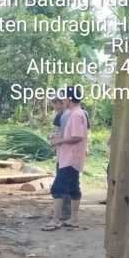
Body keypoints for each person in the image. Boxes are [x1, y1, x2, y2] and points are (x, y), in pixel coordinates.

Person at [43, 86, 88, 231]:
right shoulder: (75, 113)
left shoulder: (75, 115)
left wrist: (59, 141)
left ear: (69, 98)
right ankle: (74, 219)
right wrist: (58, 137)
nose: (62, 101)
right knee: (74, 188)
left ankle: (56, 220)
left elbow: (76, 137)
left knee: (58, 188)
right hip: (72, 157)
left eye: (64, 98)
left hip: (70, 157)